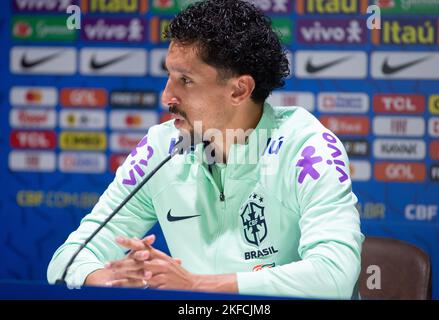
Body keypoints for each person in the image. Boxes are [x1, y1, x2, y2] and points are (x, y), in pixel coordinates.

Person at [48, 0, 364, 299]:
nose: (166, 96)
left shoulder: (308, 148)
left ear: (239, 89)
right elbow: (69, 257)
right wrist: (112, 278)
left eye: (185, 80)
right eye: (169, 76)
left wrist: (197, 286)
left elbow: (334, 276)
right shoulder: (161, 148)